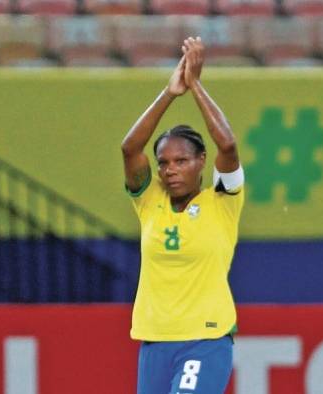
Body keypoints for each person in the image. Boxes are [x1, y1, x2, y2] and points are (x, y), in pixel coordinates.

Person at [121, 37, 245, 394]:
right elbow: (130, 148)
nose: (170, 170)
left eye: (181, 161)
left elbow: (228, 145)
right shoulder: (149, 199)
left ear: (201, 162)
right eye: (163, 163)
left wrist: (195, 86)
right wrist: (169, 92)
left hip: (204, 339)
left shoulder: (222, 199)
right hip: (155, 341)